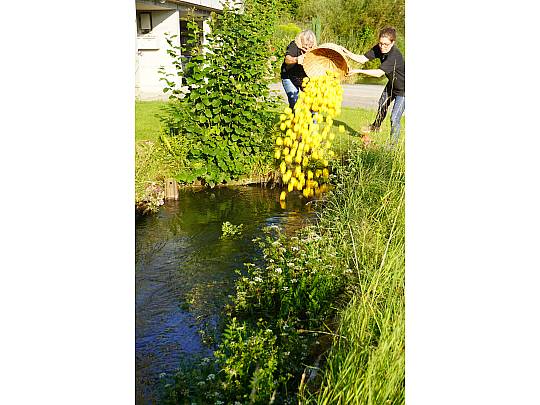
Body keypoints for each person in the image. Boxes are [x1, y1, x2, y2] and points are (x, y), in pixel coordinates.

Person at [340, 27, 405, 145]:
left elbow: (379, 73)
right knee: (382, 104)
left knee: (394, 118)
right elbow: (362, 59)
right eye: (380, 43)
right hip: (392, 85)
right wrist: (346, 52)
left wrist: (358, 71)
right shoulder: (379, 48)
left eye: (386, 44)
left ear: (392, 43)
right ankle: (376, 126)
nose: (382, 47)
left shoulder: (394, 56)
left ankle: (392, 146)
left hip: (404, 90)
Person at [280, 30, 317, 109]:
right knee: (294, 101)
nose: (307, 48)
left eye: (310, 46)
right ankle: (293, 116)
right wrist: (297, 59)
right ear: (300, 41)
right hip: (289, 76)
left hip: (305, 78)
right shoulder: (294, 45)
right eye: (305, 45)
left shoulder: (316, 50)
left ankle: (312, 117)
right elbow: (287, 60)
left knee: (312, 102)